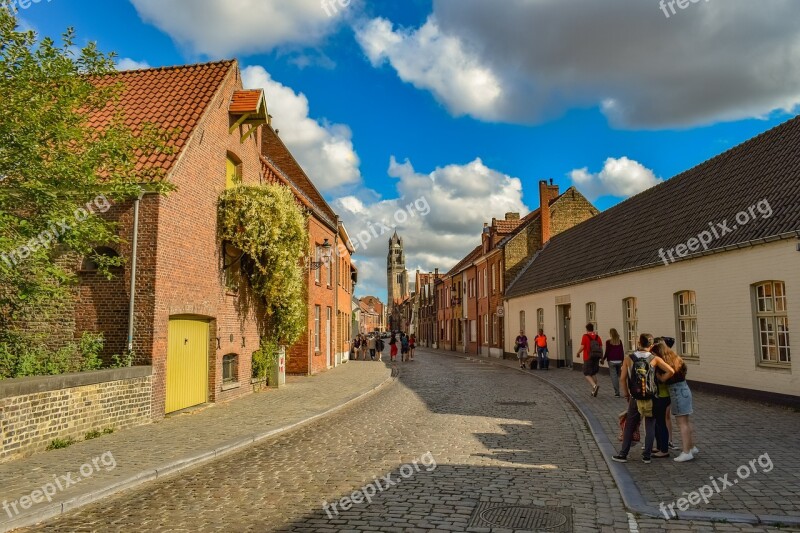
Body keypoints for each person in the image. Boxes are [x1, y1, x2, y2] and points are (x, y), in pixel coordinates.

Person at [612, 333, 675, 464]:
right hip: (651, 396)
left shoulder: (629, 358)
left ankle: (623, 454)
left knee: (630, 424)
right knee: (650, 424)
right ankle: (646, 455)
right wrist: (661, 379)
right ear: (651, 345)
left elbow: (622, 379)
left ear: (639, 343)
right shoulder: (655, 358)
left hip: (635, 396)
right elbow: (671, 371)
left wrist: (626, 395)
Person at [652, 342, 698, 462]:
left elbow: (665, 377)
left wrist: (660, 377)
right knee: (686, 422)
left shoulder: (666, 364)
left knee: (681, 423)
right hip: (684, 389)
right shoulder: (676, 358)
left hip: (676, 391)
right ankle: (691, 447)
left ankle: (686, 452)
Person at [577, 324, 603, 396]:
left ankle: (594, 386)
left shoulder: (585, 336)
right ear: (593, 328)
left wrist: (578, 353)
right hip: (596, 357)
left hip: (588, 357)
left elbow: (582, 347)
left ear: (587, 329)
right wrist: (602, 357)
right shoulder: (598, 337)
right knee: (593, 373)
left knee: (586, 373)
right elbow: (601, 348)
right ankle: (593, 391)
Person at [601, 328, 625, 397]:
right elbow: (622, 352)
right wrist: (623, 361)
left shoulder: (608, 342)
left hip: (611, 361)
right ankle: (624, 390)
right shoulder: (619, 341)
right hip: (619, 361)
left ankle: (617, 393)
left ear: (611, 334)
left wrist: (603, 359)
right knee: (618, 376)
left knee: (614, 377)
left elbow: (607, 352)